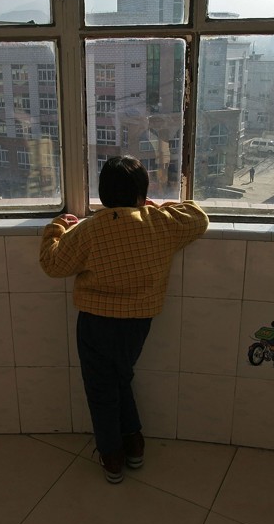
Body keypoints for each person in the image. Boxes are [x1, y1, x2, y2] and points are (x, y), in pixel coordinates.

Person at [39, 156, 209, 483]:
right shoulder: (159, 223)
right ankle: (134, 444)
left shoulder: (89, 230)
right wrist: (154, 208)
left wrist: (56, 227)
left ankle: (112, 456)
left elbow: (53, 265)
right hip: (138, 323)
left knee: (101, 389)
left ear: (103, 195)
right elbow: (197, 217)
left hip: (95, 324)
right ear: (141, 195)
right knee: (121, 378)